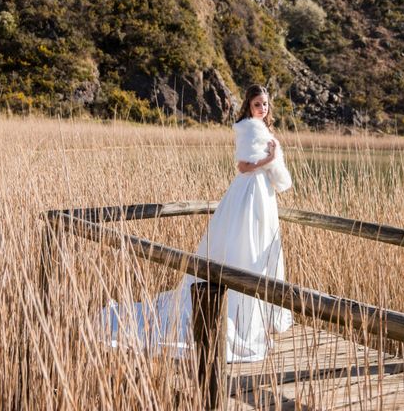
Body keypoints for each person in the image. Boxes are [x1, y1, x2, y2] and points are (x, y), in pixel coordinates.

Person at [101, 84, 293, 362]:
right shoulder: (248, 128)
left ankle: (259, 315)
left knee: (261, 246)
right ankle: (240, 315)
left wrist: (271, 165)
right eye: (257, 104)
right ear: (248, 107)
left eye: (265, 104)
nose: (262, 109)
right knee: (245, 246)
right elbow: (242, 166)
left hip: (262, 194)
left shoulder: (262, 128)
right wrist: (270, 159)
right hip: (249, 193)